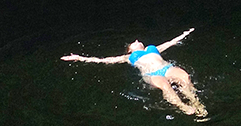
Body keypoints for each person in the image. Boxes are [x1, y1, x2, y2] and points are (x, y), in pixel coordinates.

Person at [62, 27, 207, 117]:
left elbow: (171, 42)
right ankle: (183, 107)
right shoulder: (128, 57)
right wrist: (79, 58)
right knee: (165, 85)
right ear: (130, 49)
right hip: (152, 75)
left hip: (167, 68)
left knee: (184, 76)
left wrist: (185, 33)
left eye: (137, 39)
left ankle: (197, 103)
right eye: (133, 42)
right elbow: (103, 60)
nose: (137, 39)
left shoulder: (154, 48)